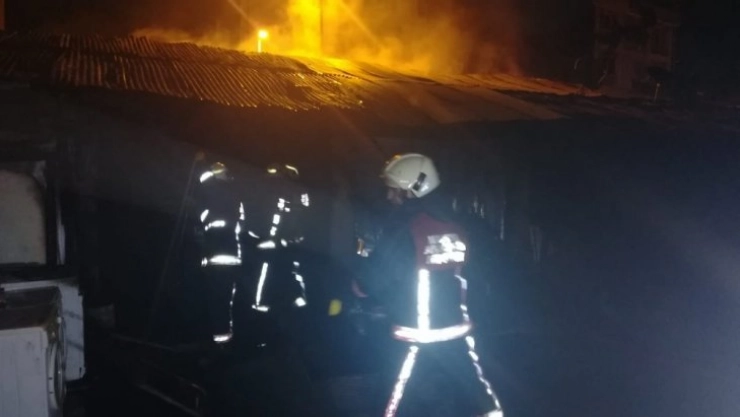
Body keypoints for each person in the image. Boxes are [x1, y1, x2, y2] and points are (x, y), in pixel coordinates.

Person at [352, 153, 504, 417]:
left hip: (414, 337)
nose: (389, 196)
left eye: (394, 190)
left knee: (392, 402)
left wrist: (359, 283)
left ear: (413, 189)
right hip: (457, 335)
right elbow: (483, 276)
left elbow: (370, 282)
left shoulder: (404, 229)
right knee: (477, 396)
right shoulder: (463, 226)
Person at [195, 160, 245, 345]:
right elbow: (241, 224)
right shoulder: (234, 193)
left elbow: (203, 181)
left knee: (215, 299)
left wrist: (204, 165)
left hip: (215, 256)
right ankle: (225, 337)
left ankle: (217, 338)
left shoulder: (212, 191)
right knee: (226, 300)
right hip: (231, 256)